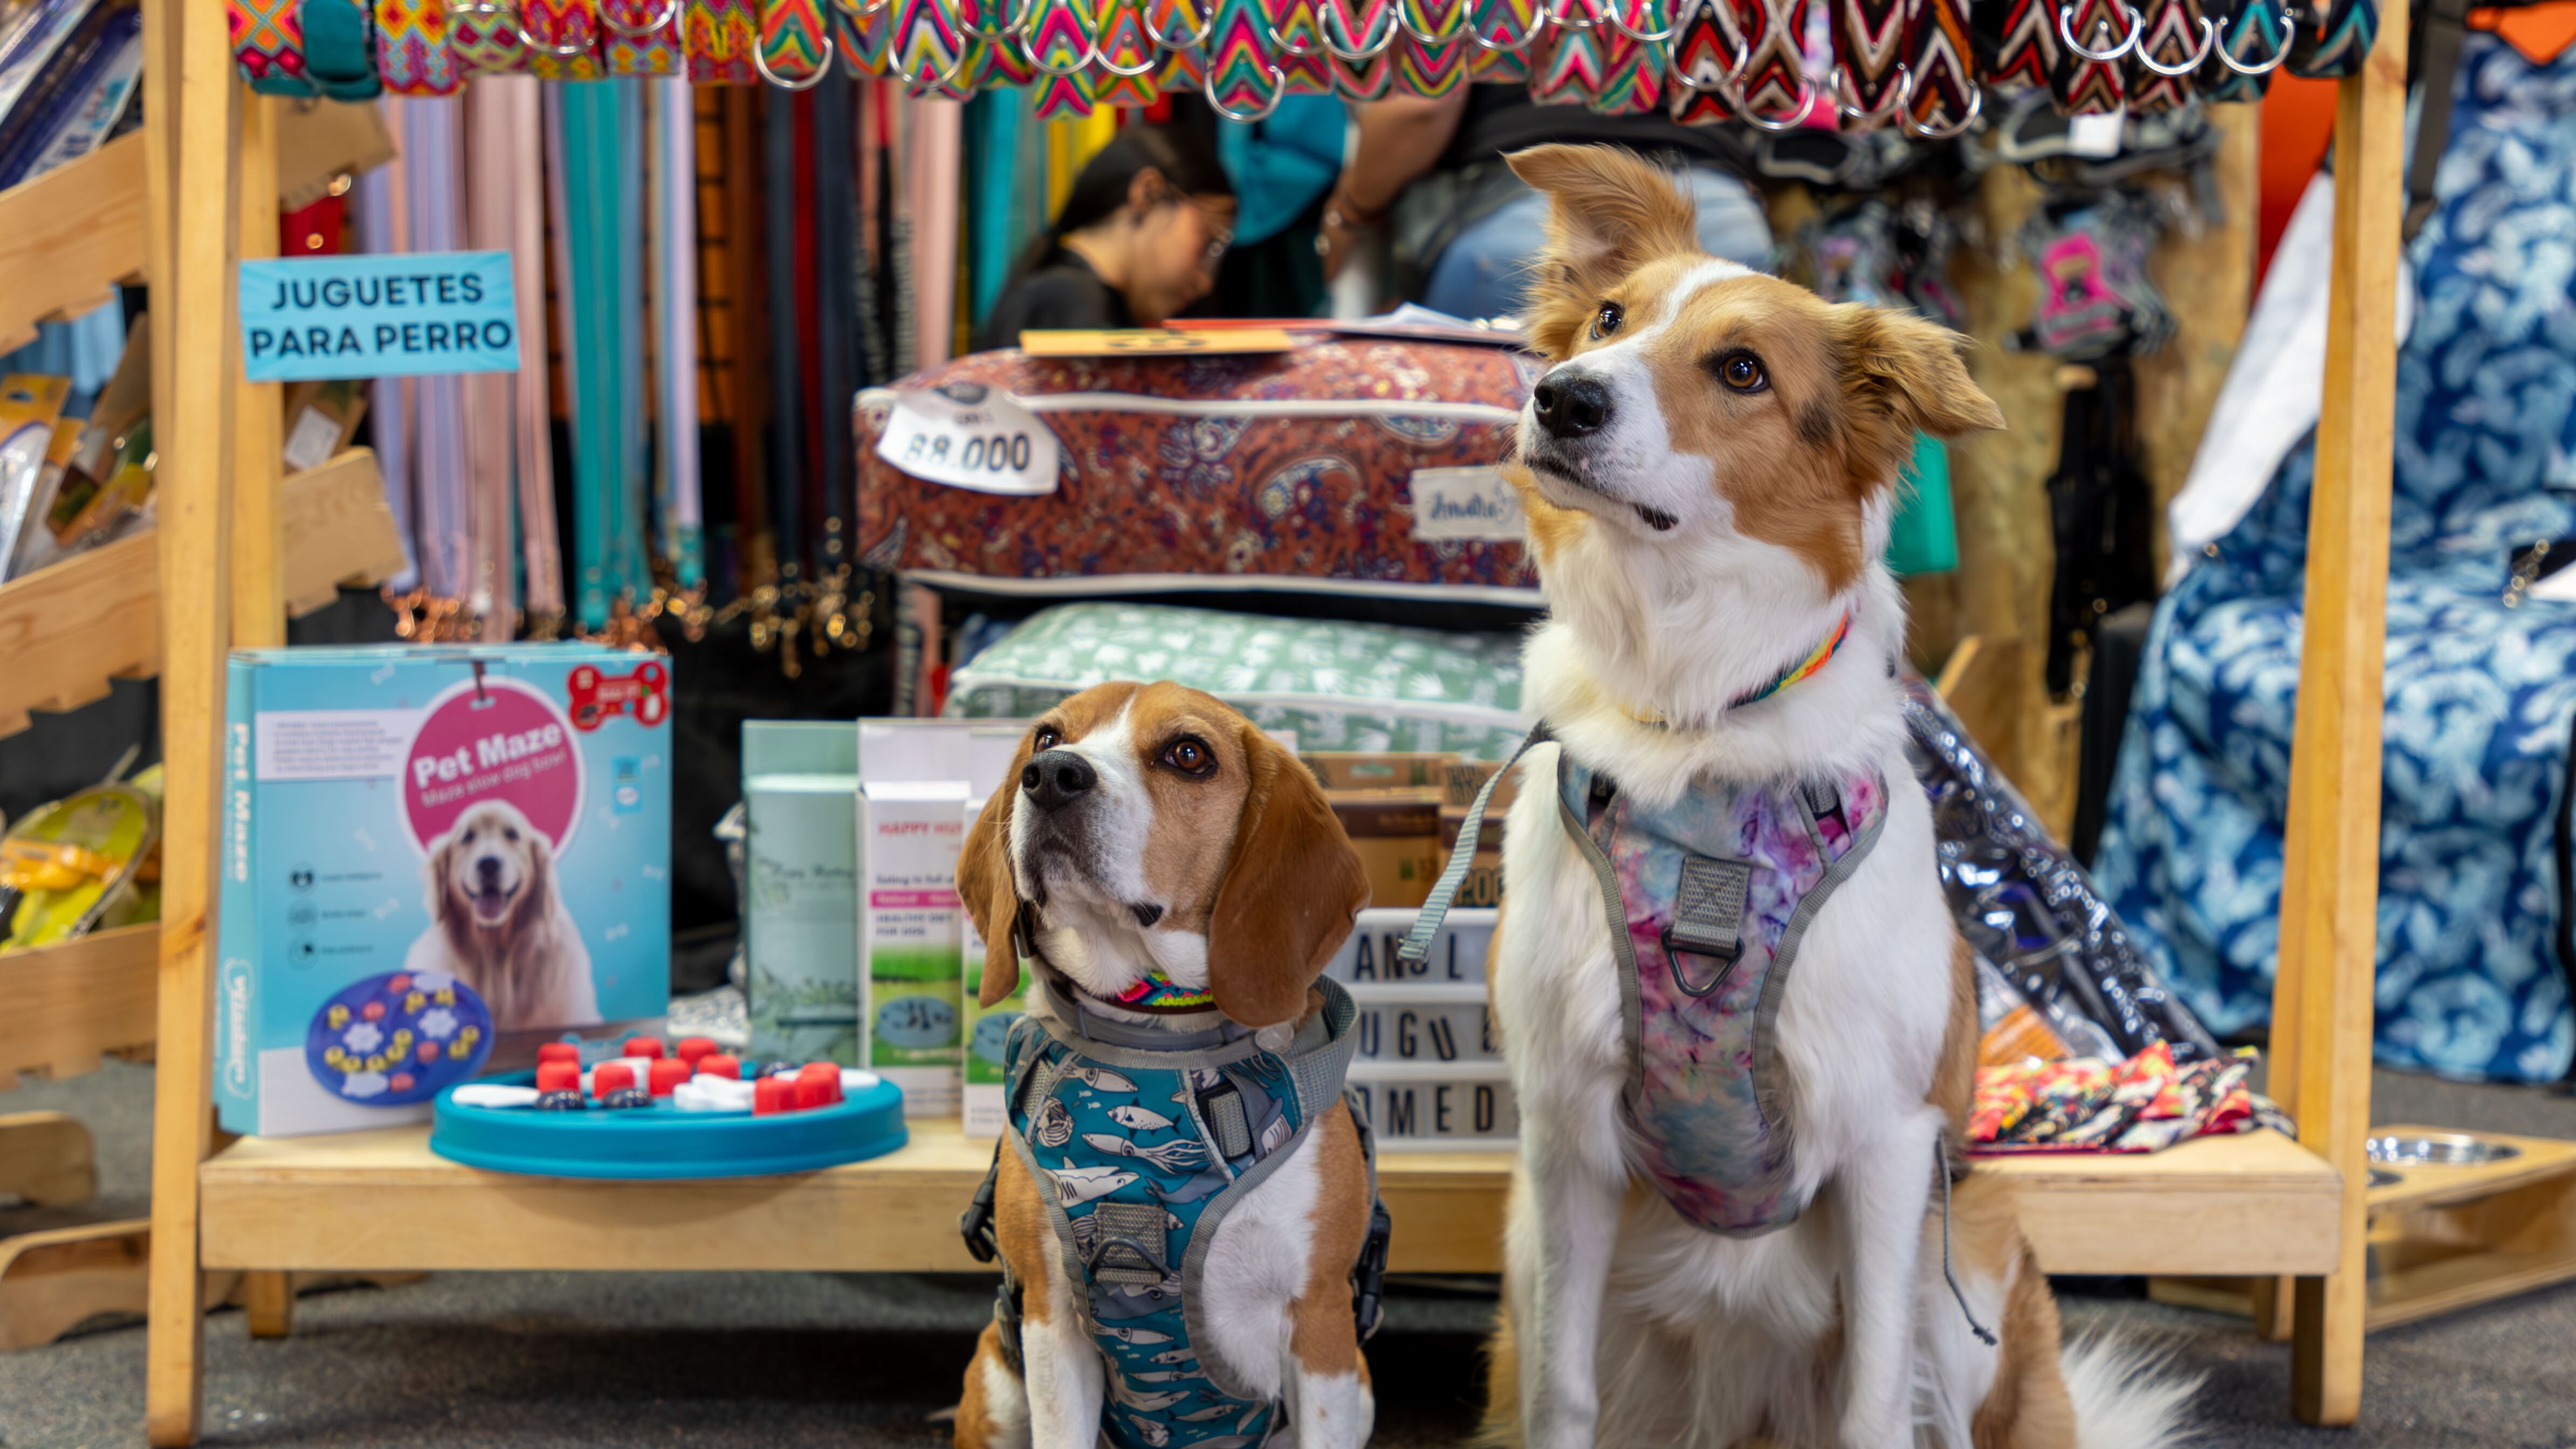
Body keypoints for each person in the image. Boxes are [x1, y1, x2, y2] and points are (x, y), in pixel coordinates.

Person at [1318, 87, 1773, 320]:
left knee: (1488, 474)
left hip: (1532, 212)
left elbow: (1421, 106)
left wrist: (1350, 211)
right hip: (1726, 221)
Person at [972, 125, 1239, 351]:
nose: (1204, 282)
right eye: (1207, 241)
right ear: (1148, 192)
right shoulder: (1071, 302)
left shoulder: (1067, 294)